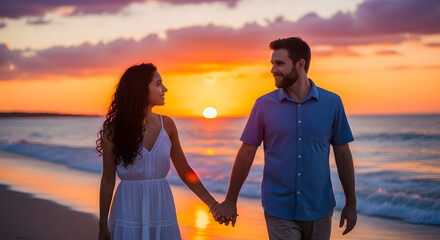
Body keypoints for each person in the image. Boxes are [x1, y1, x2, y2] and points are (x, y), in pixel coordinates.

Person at [214, 37, 357, 239]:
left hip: (319, 208)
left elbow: (343, 154)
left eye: (279, 63)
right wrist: (230, 200)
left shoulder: (332, 103)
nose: (273, 69)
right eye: (272, 63)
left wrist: (351, 203)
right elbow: (246, 153)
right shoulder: (263, 105)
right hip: (278, 209)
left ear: (300, 65)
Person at [97, 63, 219, 240]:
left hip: (161, 205)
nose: (165, 89)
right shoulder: (114, 130)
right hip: (127, 206)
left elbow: (185, 171)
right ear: (141, 89)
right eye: (158, 84)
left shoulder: (167, 125)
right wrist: (102, 225)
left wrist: (213, 205)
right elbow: (108, 178)